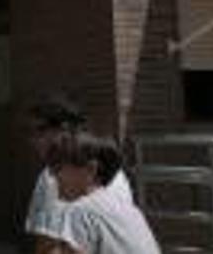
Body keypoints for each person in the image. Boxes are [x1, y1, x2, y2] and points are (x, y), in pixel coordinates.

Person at [24, 96, 134, 254]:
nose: (32, 139)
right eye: (29, 132)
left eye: (39, 130)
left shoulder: (56, 175)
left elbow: (48, 247)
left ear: (63, 130)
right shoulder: (113, 169)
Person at [44, 131, 160, 254]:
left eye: (58, 168)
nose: (51, 175)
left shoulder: (80, 210)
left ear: (90, 169)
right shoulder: (123, 206)